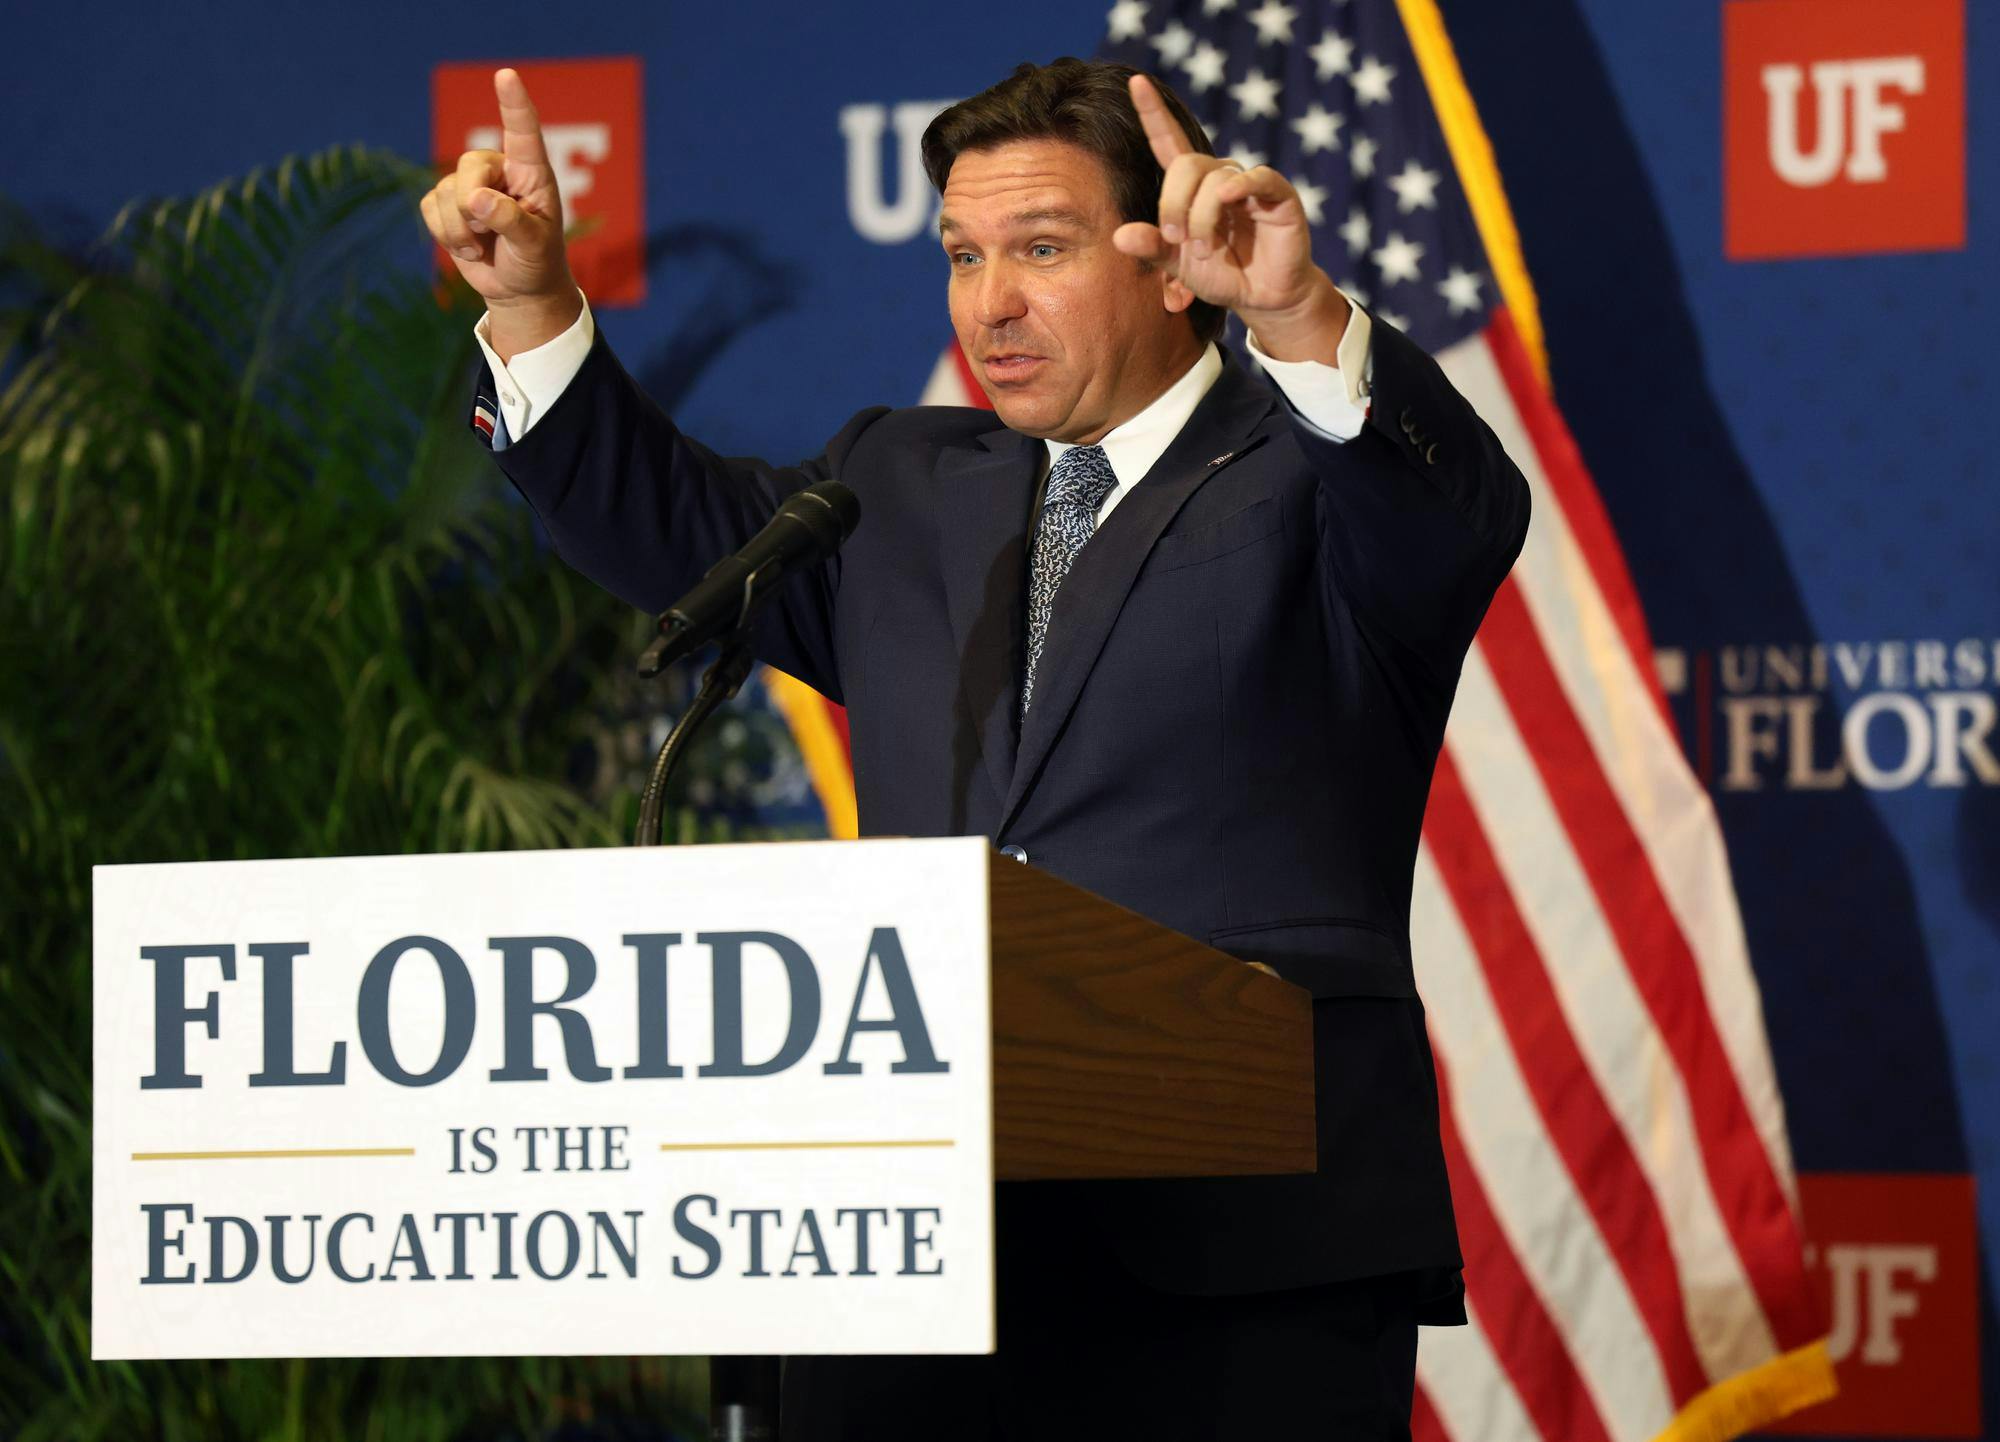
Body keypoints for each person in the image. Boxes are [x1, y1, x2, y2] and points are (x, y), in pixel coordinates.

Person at [423, 56, 1529, 1441]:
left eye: (1042, 250)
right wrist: (529, 303)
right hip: (907, 1250)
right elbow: (669, 524)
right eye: (962, 254)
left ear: (1176, 266)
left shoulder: (1321, 476)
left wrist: (1299, 312)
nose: (988, 302)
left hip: (1243, 1255)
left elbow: (1458, 515)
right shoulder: (897, 480)